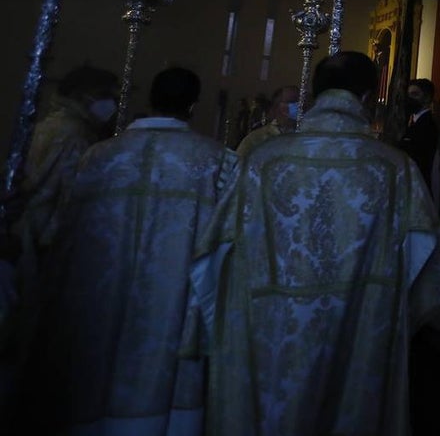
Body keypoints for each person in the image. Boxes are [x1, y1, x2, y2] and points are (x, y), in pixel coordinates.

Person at [193, 51, 440, 436]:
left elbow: (213, 256)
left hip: (268, 341)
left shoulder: (263, 162)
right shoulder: (393, 168)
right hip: (360, 339)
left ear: (314, 93)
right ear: (369, 97)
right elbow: (431, 270)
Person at [10, 66, 237, 434]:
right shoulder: (215, 161)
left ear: (150, 100)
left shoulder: (98, 156)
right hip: (172, 309)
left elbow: (63, 231)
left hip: (98, 304)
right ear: (194, 106)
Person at [16, 64, 118, 252]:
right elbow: (68, 193)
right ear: (81, 95)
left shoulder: (49, 125)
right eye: (104, 95)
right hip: (42, 234)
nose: (112, 103)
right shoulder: (74, 134)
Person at [235, 85, 300, 157]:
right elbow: (239, 165)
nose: (299, 106)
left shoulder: (304, 138)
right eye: (293, 101)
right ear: (277, 107)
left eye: (300, 101)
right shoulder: (256, 140)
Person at [399, 78, 439, 192]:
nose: (410, 99)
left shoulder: (426, 125)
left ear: (427, 98)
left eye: (415, 94)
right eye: (409, 95)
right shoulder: (415, 122)